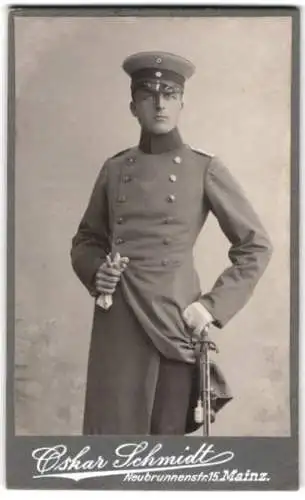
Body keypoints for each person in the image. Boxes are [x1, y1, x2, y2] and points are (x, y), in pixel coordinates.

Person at [70, 51, 273, 435]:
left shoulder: (203, 168)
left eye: (169, 94)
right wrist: (98, 271)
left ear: (182, 104)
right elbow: (87, 239)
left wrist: (211, 307)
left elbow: (255, 245)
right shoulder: (115, 169)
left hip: (174, 321)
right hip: (119, 321)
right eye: (148, 95)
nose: (159, 103)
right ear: (134, 107)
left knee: (166, 449)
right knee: (112, 442)